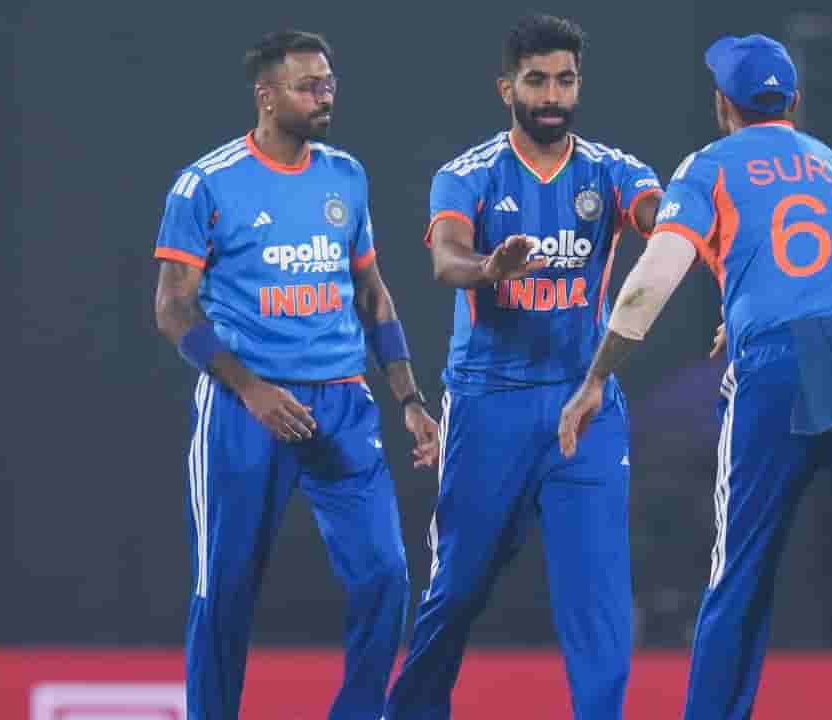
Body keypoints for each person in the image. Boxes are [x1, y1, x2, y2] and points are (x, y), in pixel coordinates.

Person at [558, 34, 832, 720]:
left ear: (723, 104)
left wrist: (596, 379)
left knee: (740, 575)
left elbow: (653, 279)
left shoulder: (709, 166)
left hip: (780, 363)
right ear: (792, 101)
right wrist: (743, 316)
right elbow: (816, 274)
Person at [151, 30, 439, 720]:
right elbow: (172, 309)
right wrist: (251, 389)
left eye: (329, 84)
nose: (324, 96)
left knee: (386, 578)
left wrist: (408, 396)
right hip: (245, 408)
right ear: (266, 95)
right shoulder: (206, 184)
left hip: (341, 402)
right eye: (309, 86)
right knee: (224, 590)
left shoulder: (346, 175)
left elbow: (372, 294)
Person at [384, 14, 662, 720]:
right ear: (506, 87)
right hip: (489, 406)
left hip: (584, 408)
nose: (552, 96)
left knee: (600, 608)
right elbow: (445, 258)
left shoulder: (613, 171)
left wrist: (689, 232)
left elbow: (661, 222)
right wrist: (488, 267)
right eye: (537, 80)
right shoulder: (468, 174)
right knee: (456, 591)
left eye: (565, 80)